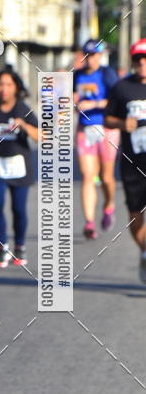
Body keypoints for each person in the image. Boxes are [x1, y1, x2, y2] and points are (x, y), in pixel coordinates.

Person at [0, 68, 39, 267]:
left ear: (16, 88)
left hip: (19, 165)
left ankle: (20, 245)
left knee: (18, 209)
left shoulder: (23, 109)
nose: (4, 89)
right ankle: (2, 247)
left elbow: (41, 136)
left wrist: (24, 126)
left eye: (8, 85)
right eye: (1, 84)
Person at [104, 38, 146, 283]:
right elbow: (107, 119)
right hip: (133, 162)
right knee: (135, 213)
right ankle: (144, 250)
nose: (142, 63)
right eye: (138, 59)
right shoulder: (122, 88)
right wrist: (123, 123)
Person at [73, 39, 120, 239]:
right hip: (85, 128)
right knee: (88, 175)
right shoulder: (78, 75)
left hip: (107, 128)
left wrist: (94, 104)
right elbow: (71, 97)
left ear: (100, 56)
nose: (90, 59)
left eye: (93, 55)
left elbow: (117, 100)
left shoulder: (107, 74)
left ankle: (109, 205)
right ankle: (89, 223)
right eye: (87, 55)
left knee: (106, 178)